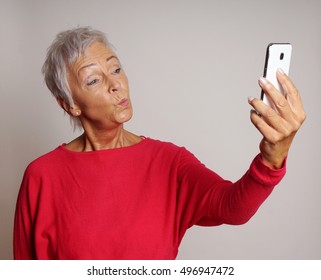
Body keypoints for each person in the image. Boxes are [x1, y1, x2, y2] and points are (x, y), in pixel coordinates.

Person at [14, 27, 306, 260]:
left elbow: (233, 207)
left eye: (115, 70)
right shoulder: (42, 175)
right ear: (69, 104)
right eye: (93, 81)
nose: (115, 84)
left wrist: (272, 159)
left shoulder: (169, 161)